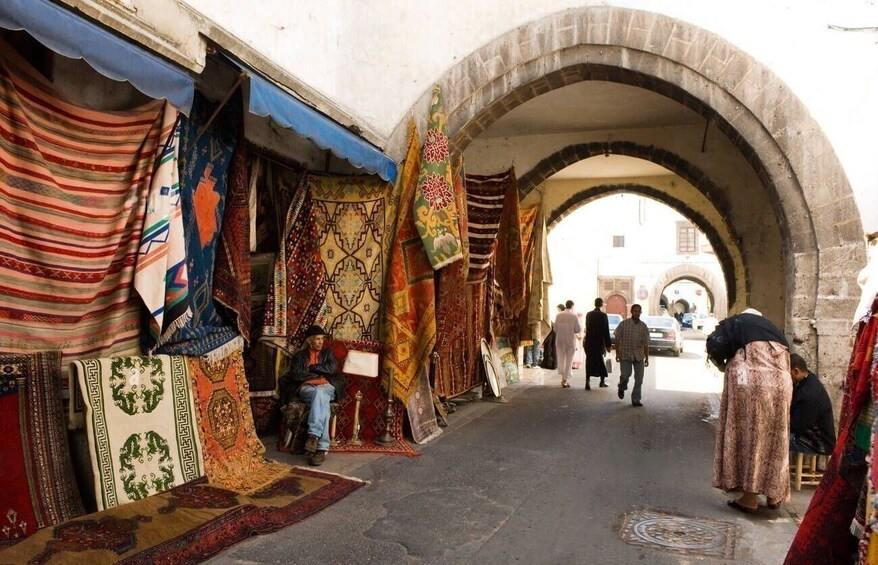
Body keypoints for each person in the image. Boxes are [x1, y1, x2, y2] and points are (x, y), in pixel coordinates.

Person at [707, 308, 792, 513]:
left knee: (750, 436)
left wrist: (722, 365)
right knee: (776, 438)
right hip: (782, 385)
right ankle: (774, 495)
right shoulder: (773, 331)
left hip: (750, 383)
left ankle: (749, 498)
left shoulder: (737, 323)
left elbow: (714, 344)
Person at [278, 325, 341, 466]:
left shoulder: (328, 353)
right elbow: (297, 375)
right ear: (309, 340)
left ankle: (313, 436)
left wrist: (312, 368)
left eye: (322, 339)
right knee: (322, 403)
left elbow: (332, 368)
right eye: (317, 339)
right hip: (307, 388)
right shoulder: (300, 356)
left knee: (321, 394)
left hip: (327, 387)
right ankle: (321, 448)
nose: (321, 342)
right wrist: (319, 373)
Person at [789, 354, 836, 455]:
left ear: (796, 371)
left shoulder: (809, 393)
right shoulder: (808, 380)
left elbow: (796, 426)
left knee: (774, 439)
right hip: (809, 434)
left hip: (820, 443)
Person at [614, 304, 650, 406]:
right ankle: (621, 387)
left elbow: (646, 343)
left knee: (639, 379)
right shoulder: (624, 324)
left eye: (639, 311)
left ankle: (636, 399)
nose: (637, 313)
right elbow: (617, 338)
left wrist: (647, 357)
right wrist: (617, 353)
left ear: (640, 313)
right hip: (625, 354)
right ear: (631, 311)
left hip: (639, 355)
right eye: (635, 311)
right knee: (625, 375)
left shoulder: (643, 326)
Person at [584, 297, 612, 390]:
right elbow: (605, 331)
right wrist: (608, 345)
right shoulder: (603, 315)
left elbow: (587, 327)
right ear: (601, 304)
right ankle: (602, 381)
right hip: (599, 342)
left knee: (589, 361)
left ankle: (587, 381)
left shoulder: (588, 314)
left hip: (589, 341)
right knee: (600, 361)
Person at [554, 300, 581, 388]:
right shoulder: (574, 316)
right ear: (572, 306)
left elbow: (555, 329)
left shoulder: (558, 315)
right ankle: (565, 379)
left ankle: (563, 378)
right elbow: (577, 329)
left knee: (561, 359)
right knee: (569, 360)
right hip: (570, 340)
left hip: (560, 340)